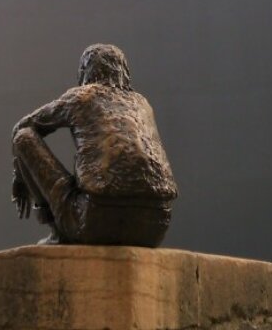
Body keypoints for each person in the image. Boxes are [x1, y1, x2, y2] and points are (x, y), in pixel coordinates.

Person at [11, 43, 178, 246]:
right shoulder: (142, 103)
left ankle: (56, 231)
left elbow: (22, 127)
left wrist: (19, 178)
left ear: (84, 72)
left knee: (23, 138)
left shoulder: (81, 97)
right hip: (154, 227)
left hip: (94, 221)